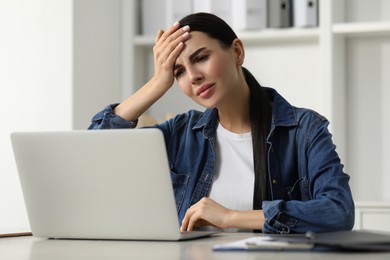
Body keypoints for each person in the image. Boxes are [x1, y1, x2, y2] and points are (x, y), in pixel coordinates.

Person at [89, 12, 354, 234]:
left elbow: (338, 211)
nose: (193, 77)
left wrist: (229, 217)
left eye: (201, 58)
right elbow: (94, 154)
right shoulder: (179, 134)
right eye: (179, 71)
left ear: (237, 52)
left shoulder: (305, 130)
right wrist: (157, 83)